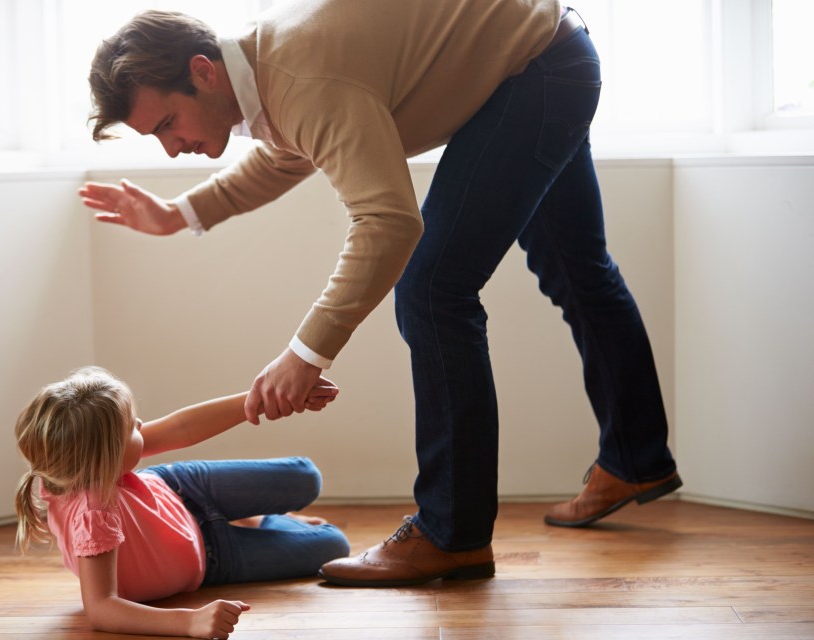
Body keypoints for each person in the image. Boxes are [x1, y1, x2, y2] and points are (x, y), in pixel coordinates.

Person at [77, 0, 682, 588]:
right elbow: (290, 153)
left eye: (165, 125)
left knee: (431, 289)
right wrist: (181, 213)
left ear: (201, 72)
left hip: (534, 69)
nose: (169, 146)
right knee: (577, 270)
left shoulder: (298, 75)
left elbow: (389, 222)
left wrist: (306, 353)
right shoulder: (266, 68)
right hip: (549, 55)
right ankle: (636, 458)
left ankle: (452, 533)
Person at [14, 366, 349, 638]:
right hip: (211, 555)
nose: (142, 425)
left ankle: (251, 517)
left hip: (180, 489)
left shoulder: (84, 463)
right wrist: (189, 622)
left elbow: (182, 427)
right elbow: (101, 608)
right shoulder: (91, 516)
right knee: (332, 543)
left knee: (306, 475)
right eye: (133, 426)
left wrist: (262, 398)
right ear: (106, 457)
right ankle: (254, 519)